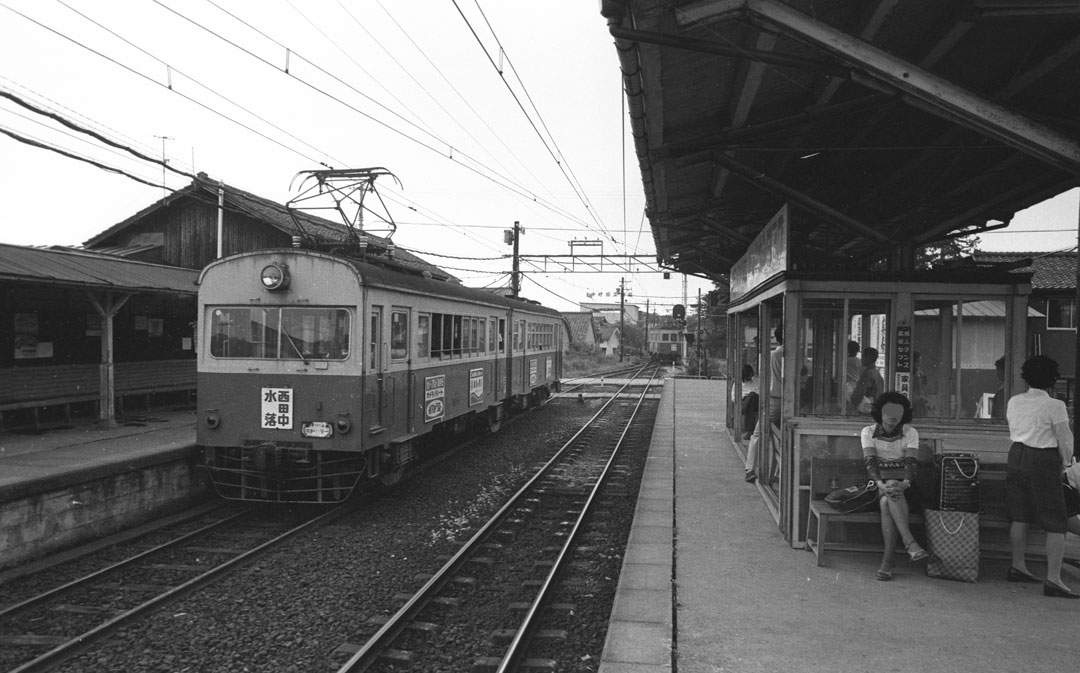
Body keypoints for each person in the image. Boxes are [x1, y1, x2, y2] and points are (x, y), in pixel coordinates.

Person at [1004, 354, 1078, 598]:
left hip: (1016, 456)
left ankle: (1018, 565)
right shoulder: (1055, 405)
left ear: (1025, 377)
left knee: (1020, 514)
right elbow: (1065, 439)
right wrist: (1066, 464)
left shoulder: (1014, 401)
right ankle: (1054, 579)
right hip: (1042, 459)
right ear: (1052, 380)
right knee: (1056, 520)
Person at [862, 391, 928, 581]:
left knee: (887, 502)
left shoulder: (910, 432)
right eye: (888, 412)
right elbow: (870, 462)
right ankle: (909, 543)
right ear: (879, 413)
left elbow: (911, 463)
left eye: (897, 413)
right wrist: (881, 485)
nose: (892, 417)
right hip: (878, 485)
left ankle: (888, 561)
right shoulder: (868, 432)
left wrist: (905, 483)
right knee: (886, 497)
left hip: (906, 487)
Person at [745, 325, 783, 483]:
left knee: (758, 433)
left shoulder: (773, 354)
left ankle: (750, 469)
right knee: (783, 438)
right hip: (792, 402)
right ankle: (780, 472)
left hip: (773, 400)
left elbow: (764, 377)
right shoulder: (796, 354)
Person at [849, 347, 884, 414]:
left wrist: (852, 404)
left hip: (867, 408)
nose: (862, 359)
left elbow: (859, 392)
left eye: (864, 356)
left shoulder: (867, 374)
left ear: (869, 358)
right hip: (875, 406)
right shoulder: (876, 372)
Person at [732, 364, 759, 440]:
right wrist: (745, 396)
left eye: (750, 375)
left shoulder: (756, 381)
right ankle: (750, 431)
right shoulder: (738, 384)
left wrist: (750, 395)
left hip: (755, 401)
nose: (750, 378)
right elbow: (733, 397)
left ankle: (749, 431)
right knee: (749, 402)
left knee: (752, 396)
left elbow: (760, 392)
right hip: (743, 401)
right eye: (748, 376)